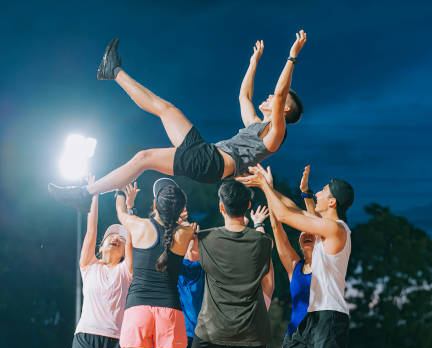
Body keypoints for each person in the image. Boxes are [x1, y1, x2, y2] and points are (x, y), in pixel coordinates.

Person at [48, 31, 307, 213]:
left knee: (143, 158)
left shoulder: (275, 135)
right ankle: (113, 70)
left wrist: (292, 56)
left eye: (276, 98)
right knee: (165, 109)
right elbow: (244, 96)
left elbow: (281, 91)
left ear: (284, 109)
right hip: (208, 155)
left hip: (211, 164)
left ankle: (86, 194)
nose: (270, 95)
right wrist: (253, 63)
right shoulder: (256, 127)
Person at [238, 164, 354, 348]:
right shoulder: (324, 230)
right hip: (310, 319)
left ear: (332, 202)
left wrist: (264, 187)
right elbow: (291, 208)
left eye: (322, 191)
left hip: (329, 317)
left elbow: (285, 215)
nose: (317, 194)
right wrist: (270, 187)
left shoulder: (336, 229)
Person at [189, 180, 274, 348]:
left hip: (211, 329)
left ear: (221, 207)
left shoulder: (205, 239)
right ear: (247, 205)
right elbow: (269, 284)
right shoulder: (263, 242)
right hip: (251, 329)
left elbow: (189, 257)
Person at [116, 179, 196, 348]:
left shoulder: (139, 226)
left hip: (138, 310)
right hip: (170, 311)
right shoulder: (186, 233)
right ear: (180, 209)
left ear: (154, 204)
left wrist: (120, 193)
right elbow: (181, 227)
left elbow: (121, 214)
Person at [71, 175, 133, 348]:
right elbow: (91, 229)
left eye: (120, 238)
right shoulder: (89, 265)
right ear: (101, 245)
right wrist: (94, 193)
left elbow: (132, 236)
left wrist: (127, 207)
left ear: (124, 250)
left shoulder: (126, 270)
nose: (116, 238)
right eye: (111, 236)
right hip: (86, 337)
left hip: (116, 340)